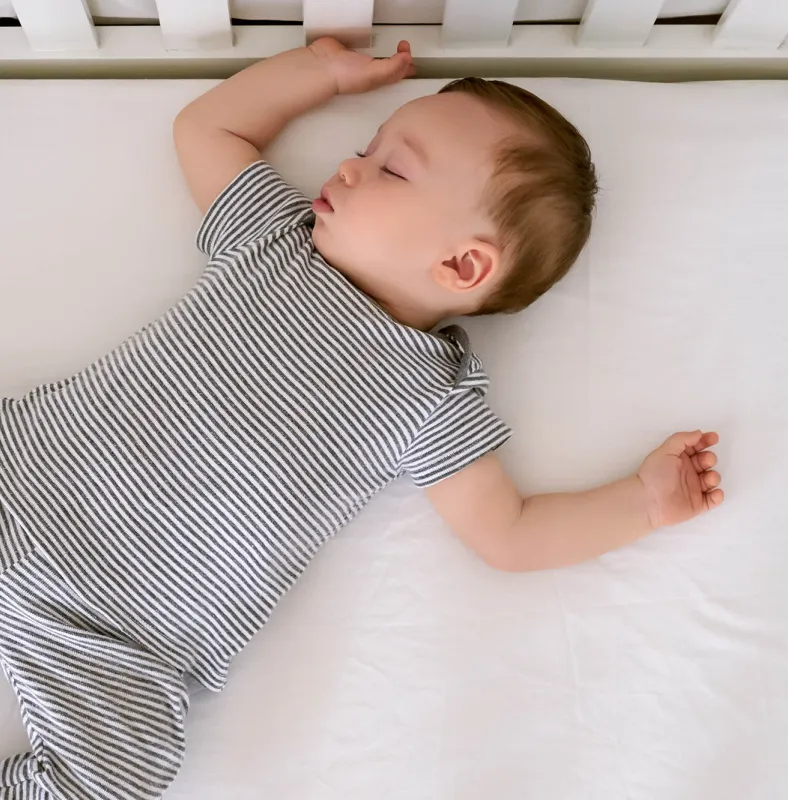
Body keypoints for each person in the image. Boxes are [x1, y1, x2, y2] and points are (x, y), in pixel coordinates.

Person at [0, 38, 723, 800]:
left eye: (391, 168)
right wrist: (320, 76)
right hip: (23, 476)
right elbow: (207, 130)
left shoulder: (433, 397)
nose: (346, 167)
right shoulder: (277, 240)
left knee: (119, 774)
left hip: (122, 630)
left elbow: (509, 532)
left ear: (463, 266)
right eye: (362, 147)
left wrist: (640, 504)